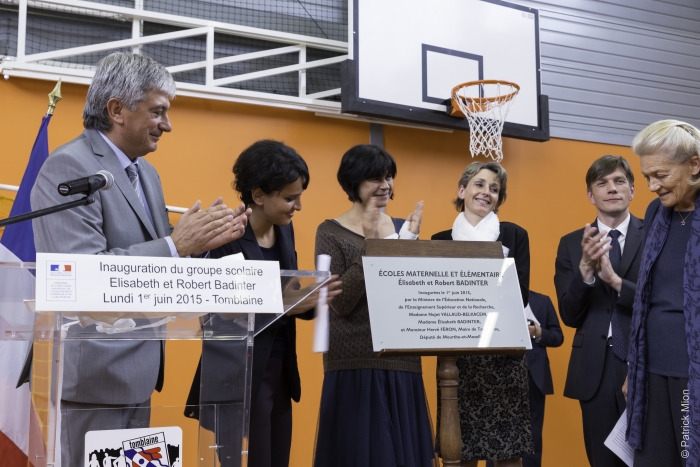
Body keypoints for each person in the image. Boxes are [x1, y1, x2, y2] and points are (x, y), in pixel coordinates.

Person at [30, 52, 249, 467]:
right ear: (117, 110)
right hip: (95, 379)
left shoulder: (145, 173)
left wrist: (202, 242)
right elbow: (83, 272)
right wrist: (174, 246)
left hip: (141, 371)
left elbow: (159, 263)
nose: (167, 125)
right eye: (158, 112)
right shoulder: (67, 167)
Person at [186, 140, 341, 467]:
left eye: (299, 197)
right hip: (239, 377)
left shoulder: (285, 231)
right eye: (289, 198)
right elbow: (224, 309)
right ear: (258, 196)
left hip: (280, 372)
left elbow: (291, 292)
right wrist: (290, 302)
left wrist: (315, 297)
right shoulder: (224, 236)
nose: (297, 206)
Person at [313, 144, 434, 467]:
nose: (385, 185)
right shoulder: (329, 232)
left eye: (389, 176)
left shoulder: (402, 228)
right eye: (374, 178)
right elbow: (341, 302)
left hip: (401, 358)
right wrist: (371, 246)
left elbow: (413, 294)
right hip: (355, 363)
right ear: (353, 183)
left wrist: (408, 243)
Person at [432, 161, 533, 467]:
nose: (486, 192)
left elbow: (520, 295)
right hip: (458, 359)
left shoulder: (514, 235)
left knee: (507, 453)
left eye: (494, 189)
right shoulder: (439, 241)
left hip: (503, 354)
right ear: (462, 190)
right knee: (459, 452)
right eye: (479, 184)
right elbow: (439, 301)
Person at [554, 155, 642, 467]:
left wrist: (615, 281)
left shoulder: (658, 235)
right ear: (591, 195)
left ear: (632, 190)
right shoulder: (570, 244)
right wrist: (586, 276)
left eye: (619, 181)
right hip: (595, 369)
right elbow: (568, 315)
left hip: (646, 363)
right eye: (602, 183)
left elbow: (663, 301)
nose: (612, 188)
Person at [626, 120, 700, 466]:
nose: (653, 186)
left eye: (661, 175)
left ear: (694, 165)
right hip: (651, 368)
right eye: (646, 177)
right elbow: (648, 294)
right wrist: (634, 370)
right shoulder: (656, 212)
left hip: (692, 371)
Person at [486, 290, 564, 467]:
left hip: (533, 378)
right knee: (495, 435)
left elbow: (558, 336)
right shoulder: (491, 298)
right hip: (498, 377)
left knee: (533, 437)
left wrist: (537, 332)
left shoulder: (542, 302)